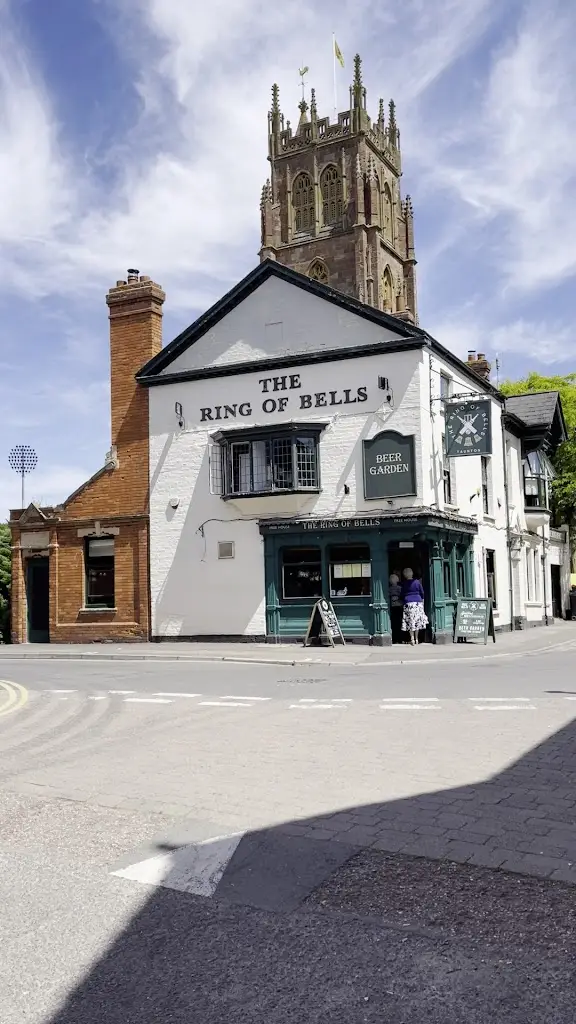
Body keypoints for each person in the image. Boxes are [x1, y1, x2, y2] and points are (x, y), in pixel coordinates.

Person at [401, 567, 428, 645]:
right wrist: (422, 601)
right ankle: (417, 639)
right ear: (412, 573)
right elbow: (422, 592)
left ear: (405, 575)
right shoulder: (417, 582)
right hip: (417, 603)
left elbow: (402, 594)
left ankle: (412, 638)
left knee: (410, 622)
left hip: (408, 603)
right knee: (416, 622)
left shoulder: (404, 583)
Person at [388, 572, 403, 644]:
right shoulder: (400, 588)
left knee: (394, 623)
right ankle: (400, 639)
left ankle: (394, 639)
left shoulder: (389, 589)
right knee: (399, 623)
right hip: (399, 606)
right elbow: (402, 596)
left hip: (392, 607)